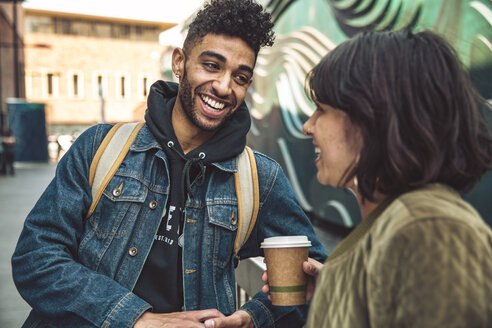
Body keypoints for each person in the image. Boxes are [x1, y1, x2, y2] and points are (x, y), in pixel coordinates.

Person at [11, 1, 326, 327]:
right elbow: (35, 258)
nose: (223, 86)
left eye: (240, 77)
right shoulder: (99, 147)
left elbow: (313, 268)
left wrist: (251, 317)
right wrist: (138, 319)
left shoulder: (259, 177)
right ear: (180, 62)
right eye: (212, 65)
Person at [262, 29, 492, 326]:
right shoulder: (400, 226)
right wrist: (336, 291)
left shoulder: (429, 229)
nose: (308, 126)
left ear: (374, 117)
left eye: (322, 109)